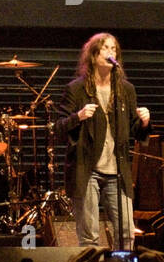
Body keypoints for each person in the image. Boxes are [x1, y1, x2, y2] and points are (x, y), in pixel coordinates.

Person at [54, 33, 151, 249]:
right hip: (87, 169)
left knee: (126, 233)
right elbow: (58, 129)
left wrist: (144, 122)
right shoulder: (76, 89)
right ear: (93, 55)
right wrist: (77, 117)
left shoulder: (126, 90)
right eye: (105, 48)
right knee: (89, 237)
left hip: (118, 171)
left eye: (114, 49)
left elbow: (133, 131)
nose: (110, 53)